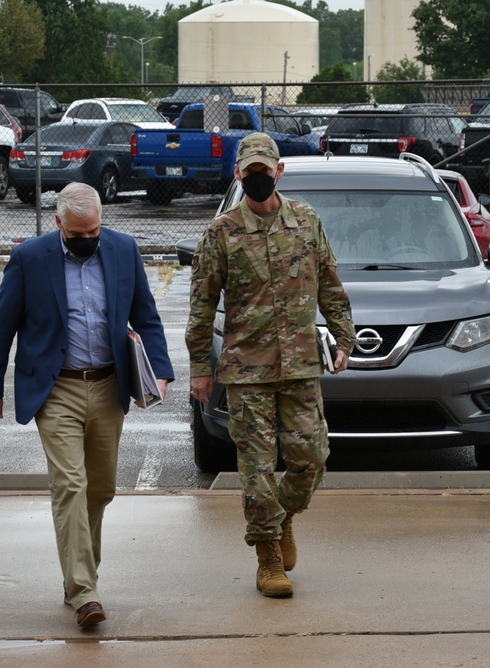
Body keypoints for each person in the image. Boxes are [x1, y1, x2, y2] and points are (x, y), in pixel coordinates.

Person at [0, 182, 173, 628]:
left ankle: (79, 579)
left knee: (100, 489)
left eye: (94, 232)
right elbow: (1, 326)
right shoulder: (30, 258)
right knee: (70, 484)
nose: (88, 240)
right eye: (78, 233)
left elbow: (145, 315)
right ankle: (85, 592)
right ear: (59, 222)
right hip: (56, 388)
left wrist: (159, 369)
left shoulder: (123, 250)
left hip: (109, 385)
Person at [186, 133, 355, 598]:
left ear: (280, 172)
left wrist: (344, 338)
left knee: (310, 461)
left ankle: (281, 520)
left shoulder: (306, 221)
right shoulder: (222, 232)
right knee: (256, 469)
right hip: (247, 373)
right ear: (238, 174)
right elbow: (202, 305)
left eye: (265, 171)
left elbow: (330, 284)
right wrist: (201, 366)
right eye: (250, 172)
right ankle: (268, 560)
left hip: (301, 366)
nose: (258, 179)